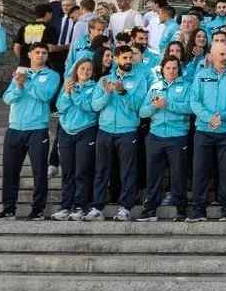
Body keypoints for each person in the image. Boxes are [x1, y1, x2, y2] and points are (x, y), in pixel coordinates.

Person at [0, 43, 60, 220]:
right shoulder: (20, 74)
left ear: (47, 56)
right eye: (37, 52)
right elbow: (7, 98)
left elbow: (46, 95)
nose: (41, 55)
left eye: (44, 53)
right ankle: (8, 208)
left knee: (39, 171)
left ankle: (38, 209)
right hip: (15, 128)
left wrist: (27, 83)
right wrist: (19, 86)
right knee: (10, 170)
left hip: (37, 129)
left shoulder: (52, 75)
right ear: (30, 55)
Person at [88, 45, 149, 222]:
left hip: (128, 131)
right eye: (125, 58)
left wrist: (123, 92)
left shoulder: (140, 80)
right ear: (116, 59)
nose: (128, 61)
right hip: (105, 130)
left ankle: (126, 207)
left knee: (128, 171)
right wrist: (107, 93)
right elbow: (95, 106)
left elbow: (138, 106)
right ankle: (97, 207)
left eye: (130, 58)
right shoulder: (104, 80)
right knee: (102, 170)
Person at [188, 42, 226, 222]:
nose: (225, 58)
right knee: (200, 170)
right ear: (211, 56)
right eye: (221, 54)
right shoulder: (201, 76)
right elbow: (194, 101)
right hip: (204, 130)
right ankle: (198, 209)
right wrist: (209, 117)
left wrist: (222, 116)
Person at [137, 56, 193, 221]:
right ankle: (150, 209)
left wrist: (169, 104)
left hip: (178, 136)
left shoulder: (186, 86)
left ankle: (181, 208)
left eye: (174, 68)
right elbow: (142, 112)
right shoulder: (155, 87)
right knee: (153, 175)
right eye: (168, 68)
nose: (171, 71)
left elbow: (190, 107)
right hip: (155, 136)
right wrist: (154, 106)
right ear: (162, 69)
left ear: (178, 69)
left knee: (178, 174)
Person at [51, 58, 98, 221]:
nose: (85, 72)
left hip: (86, 131)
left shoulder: (95, 87)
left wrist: (75, 95)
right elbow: (61, 107)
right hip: (66, 131)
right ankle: (65, 206)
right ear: (76, 70)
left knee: (82, 171)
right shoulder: (68, 85)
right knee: (68, 171)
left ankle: (80, 206)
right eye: (82, 69)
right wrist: (66, 92)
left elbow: (91, 107)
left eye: (89, 69)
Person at [13, 4, 62, 68]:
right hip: (41, 67)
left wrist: (24, 60)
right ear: (48, 13)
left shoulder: (24, 27)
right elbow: (50, 48)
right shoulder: (50, 28)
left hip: (23, 66)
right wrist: (66, 47)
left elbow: (16, 48)